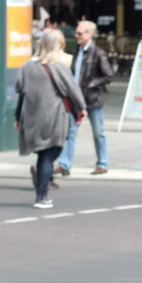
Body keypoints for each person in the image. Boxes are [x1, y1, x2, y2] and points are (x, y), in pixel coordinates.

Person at [16, 29, 86, 209]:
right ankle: (42, 195)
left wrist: (18, 117)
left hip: (32, 116)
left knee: (43, 154)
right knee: (49, 154)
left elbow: (20, 91)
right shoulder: (60, 67)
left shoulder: (27, 67)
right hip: (54, 116)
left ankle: (41, 186)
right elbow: (73, 91)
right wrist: (81, 109)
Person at [56, 20, 112, 177]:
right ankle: (64, 164)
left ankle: (102, 163)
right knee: (70, 131)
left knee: (98, 132)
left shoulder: (98, 53)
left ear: (89, 34)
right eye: (76, 33)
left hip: (92, 100)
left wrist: (92, 83)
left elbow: (108, 76)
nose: (76, 36)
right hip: (77, 99)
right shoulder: (78, 51)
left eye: (79, 33)